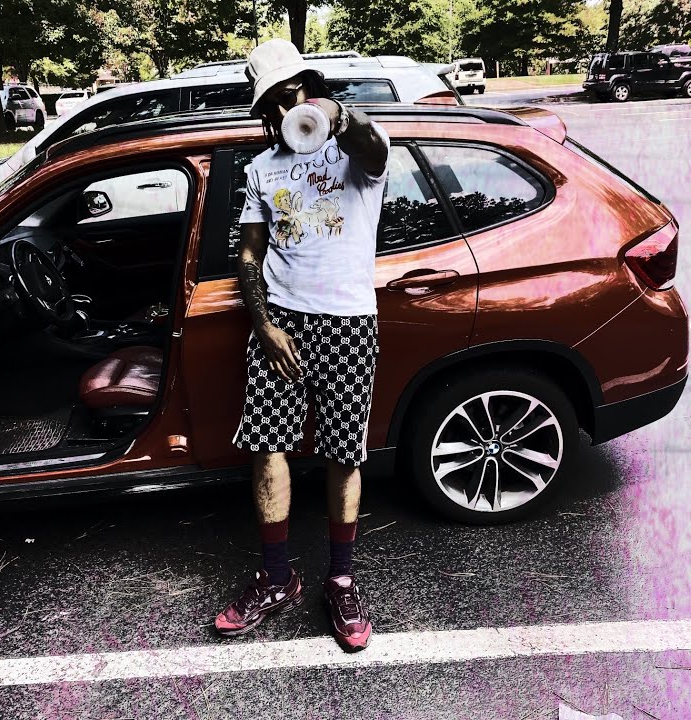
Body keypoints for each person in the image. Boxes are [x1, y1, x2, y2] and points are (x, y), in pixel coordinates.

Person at [212, 39, 390, 652]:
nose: (287, 110)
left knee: (345, 452)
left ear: (311, 87)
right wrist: (264, 325)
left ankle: (340, 581)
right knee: (267, 447)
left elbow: (374, 147)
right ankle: (276, 576)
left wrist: (334, 116)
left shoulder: (354, 153)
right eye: (275, 103)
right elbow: (248, 254)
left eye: (294, 95)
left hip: (348, 322)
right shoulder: (262, 169)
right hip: (282, 322)